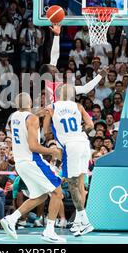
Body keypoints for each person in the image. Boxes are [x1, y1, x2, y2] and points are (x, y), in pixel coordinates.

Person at [0, 93, 64, 243]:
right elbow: (33, 146)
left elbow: (26, 116)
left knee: (40, 196)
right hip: (32, 161)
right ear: (30, 103)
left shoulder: (14, 116)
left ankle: (11, 219)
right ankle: (49, 231)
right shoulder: (32, 119)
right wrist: (52, 151)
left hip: (20, 163)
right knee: (57, 192)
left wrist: (40, 112)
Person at [43, 84, 95, 236]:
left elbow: (46, 132)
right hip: (84, 144)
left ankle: (85, 221)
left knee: (72, 185)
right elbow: (91, 125)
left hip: (70, 147)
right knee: (80, 184)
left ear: (57, 95)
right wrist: (79, 133)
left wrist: (52, 140)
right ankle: (79, 223)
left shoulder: (51, 107)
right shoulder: (78, 106)